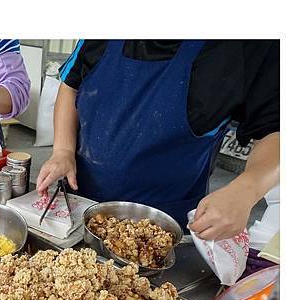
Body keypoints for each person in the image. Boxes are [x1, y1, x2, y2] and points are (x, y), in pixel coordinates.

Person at [36, 40, 279, 240]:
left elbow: (274, 129)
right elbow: (71, 86)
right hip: (78, 208)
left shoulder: (245, 44)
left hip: (165, 227)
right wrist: (63, 150)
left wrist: (247, 189)